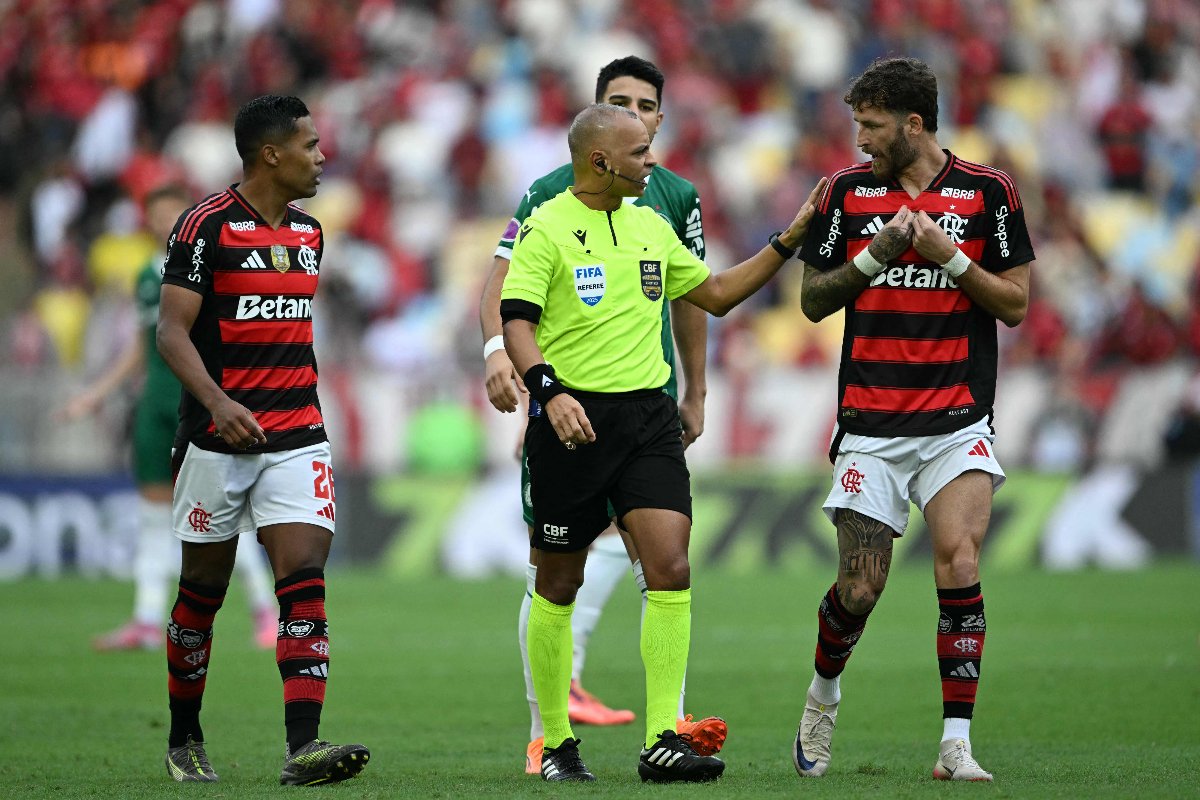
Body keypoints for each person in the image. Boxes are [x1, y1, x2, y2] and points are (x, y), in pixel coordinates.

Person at [501, 102, 826, 782]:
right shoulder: (547, 228)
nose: (653, 163)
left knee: (671, 569)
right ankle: (555, 743)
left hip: (648, 422)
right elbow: (517, 323)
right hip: (571, 423)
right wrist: (549, 390)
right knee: (559, 582)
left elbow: (715, 292)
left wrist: (788, 239)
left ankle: (660, 740)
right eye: (642, 152)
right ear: (600, 161)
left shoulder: (651, 226)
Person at [791, 57, 1034, 783]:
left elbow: (1016, 304)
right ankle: (823, 695)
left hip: (958, 421)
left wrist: (949, 258)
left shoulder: (990, 193)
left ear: (914, 123)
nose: (861, 139)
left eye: (871, 125)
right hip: (871, 423)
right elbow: (812, 300)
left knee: (959, 561)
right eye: (857, 124)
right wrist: (877, 256)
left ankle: (955, 744)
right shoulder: (844, 193)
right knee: (861, 589)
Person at [479, 55, 724, 775]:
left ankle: (662, 731)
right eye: (619, 102)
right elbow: (503, 281)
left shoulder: (674, 196)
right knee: (558, 567)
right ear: (597, 123)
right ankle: (546, 732)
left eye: (646, 105)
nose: (637, 114)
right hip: (570, 408)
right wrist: (500, 349)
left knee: (665, 561)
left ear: (660, 116)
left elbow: (696, 295)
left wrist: (697, 390)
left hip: (645, 404)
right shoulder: (548, 193)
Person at [156, 95, 369, 786]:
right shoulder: (204, 226)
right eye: (310, 145)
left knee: (304, 583)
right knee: (202, 596)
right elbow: (170, 332)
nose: (322, 156)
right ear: (271, 153)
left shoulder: (311, 234)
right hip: (215, 444)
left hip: (298, 434)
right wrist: (217, 403)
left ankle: (302, 748)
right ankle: (184, 735)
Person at [59, 184, 279, 653]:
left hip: (201, 405)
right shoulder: (147, 274)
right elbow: (143, 346)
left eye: (173, 214)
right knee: (154, 518)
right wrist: (95, 395)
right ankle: (144, 620)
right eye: (157, 215)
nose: (165, 223)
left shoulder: (218, 267)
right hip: (155, 406)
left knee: (220, 516)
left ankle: (265, 610)